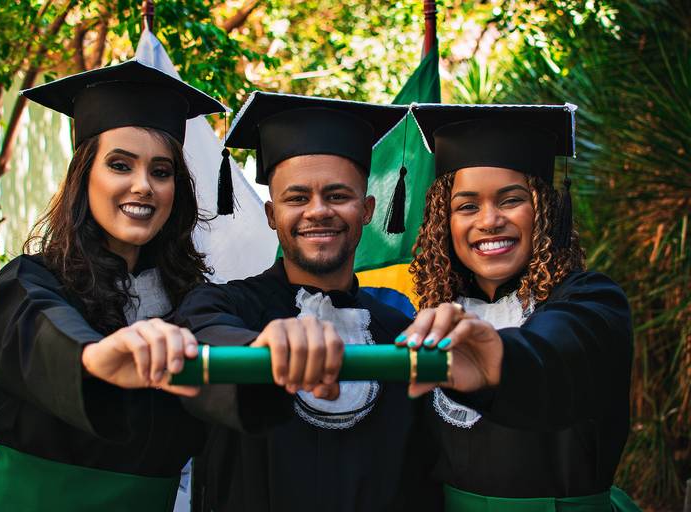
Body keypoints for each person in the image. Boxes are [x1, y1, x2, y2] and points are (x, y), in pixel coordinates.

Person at [0, 60, 228, 512]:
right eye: (120, 165)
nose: (143, 186)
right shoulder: (30, 282)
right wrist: (97, 359)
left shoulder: (193, 299)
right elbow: (45, 337)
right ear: (85, 176)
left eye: (161, 172)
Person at [178, 92, 438, 512]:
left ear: (367, 209)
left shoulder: (399, 332)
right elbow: (196, 340)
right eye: (297, 198)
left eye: (337, 196)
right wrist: (262, 349)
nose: (317, 211)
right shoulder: (222, 308)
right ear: (270, 214)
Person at [396, 104, 639, 511]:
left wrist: (496, 359)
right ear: (444, 220)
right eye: (467, 206)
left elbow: (556, 351)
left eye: (511, 200)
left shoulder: (591, 302)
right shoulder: (432, 319)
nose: (489, 221)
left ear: (544, 208)